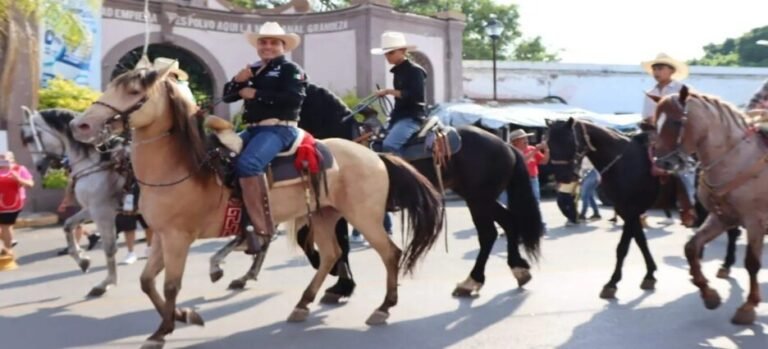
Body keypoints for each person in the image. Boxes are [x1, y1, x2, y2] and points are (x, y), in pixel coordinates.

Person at [222, 22, 307, 254]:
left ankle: (262, 229)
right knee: (219, 154)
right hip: (252, 129)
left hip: (279, 129)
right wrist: (238, 81)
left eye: (273, 42)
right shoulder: (254, 69)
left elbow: (294, 100)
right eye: (263, 42)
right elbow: (227, 97)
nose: (267, 46)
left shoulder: (290, 69)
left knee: (249, 163)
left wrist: (256, 93)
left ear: (283, 46)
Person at [641, 53, 696, 227]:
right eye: (654, 68)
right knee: (639, 164)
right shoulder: (650, 93)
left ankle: (692, 207)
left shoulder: (682, 90)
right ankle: (640, 209)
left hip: (679, 135)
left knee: (687, 170)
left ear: (671, 70)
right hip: (656, 134)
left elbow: (691, 113)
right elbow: (646, 116)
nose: (656, 71)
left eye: (660, 68)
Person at [371, 31, 427, 155]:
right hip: (398, 116)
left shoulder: (415, 71)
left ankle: (402, 173)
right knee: (376, 142)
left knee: (390, 145)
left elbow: (415, 96)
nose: (387, 56)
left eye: (391, 53)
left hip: (412, 117)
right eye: (386, 53)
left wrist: (388, 91)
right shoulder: (398, 71)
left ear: (402, 50)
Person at [0, 152, 34, 256]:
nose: (1, 160)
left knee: (6, 226)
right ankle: (8, 241)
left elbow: (30, 184)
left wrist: (19, 179)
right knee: (4, 228)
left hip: (12, 203)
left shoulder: (19, 169)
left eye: (4, 158)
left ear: (12, 159)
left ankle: (8, 250)